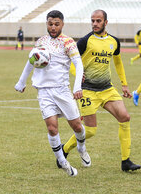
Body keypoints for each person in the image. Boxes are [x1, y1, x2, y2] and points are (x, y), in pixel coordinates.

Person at [63, 10, 141, 172]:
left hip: (107, 89)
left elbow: (118, 63)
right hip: (88, 91)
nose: (95, 24)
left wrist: (124, 85)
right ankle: (64, 149)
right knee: (91, 130)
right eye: (93, 21)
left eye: (98, 21)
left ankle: (125, 161)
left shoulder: (114, 41)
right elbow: (71, 62)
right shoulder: (85, 41)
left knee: (125, 117)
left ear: (106, 22)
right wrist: (77, 74)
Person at [14, 10, 91, 177]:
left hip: (62, 90)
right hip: (44, 91)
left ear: (62, 24)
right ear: (46, 24)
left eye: (57, 24)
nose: (53, 27)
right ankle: (63, 162)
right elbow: (31, 61)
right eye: (50, 24)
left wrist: (77, 87)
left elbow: (78, 65)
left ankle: (81, 148)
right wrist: (21, 82)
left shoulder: (68, 42)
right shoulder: (41, 42)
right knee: (51, 128)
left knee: (77, 126)